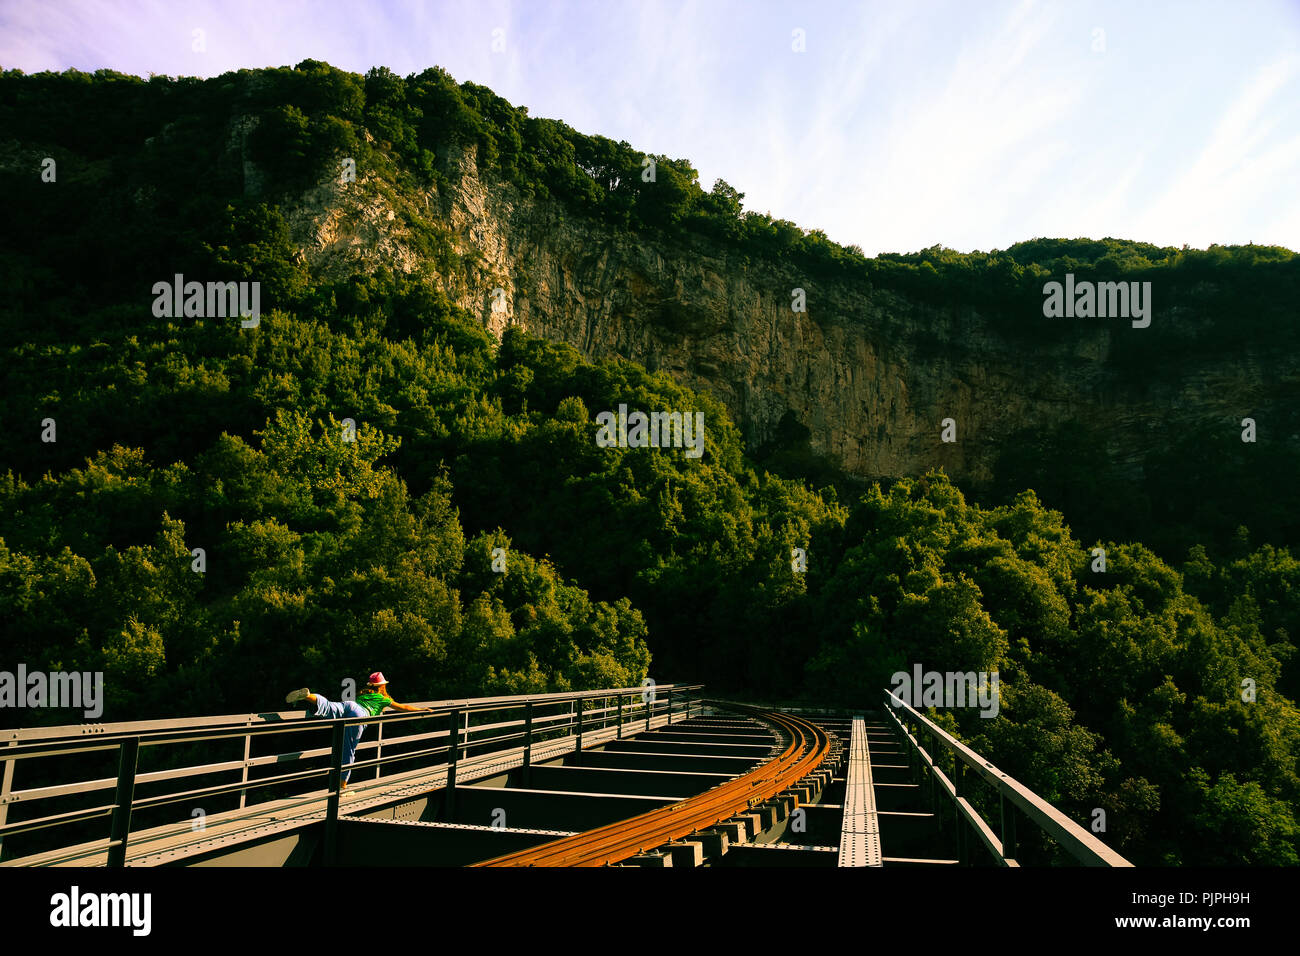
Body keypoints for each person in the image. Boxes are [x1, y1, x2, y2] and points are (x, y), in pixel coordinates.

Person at [285, 672, 428, 787]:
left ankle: (308, 695)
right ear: (382, 686)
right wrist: (422, 710)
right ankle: (342, 786)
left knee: (328, 706)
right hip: (360, 715)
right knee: (349, 750)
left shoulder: (364, 693)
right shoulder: (383, 698)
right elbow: (403, 707)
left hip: (350, 705)